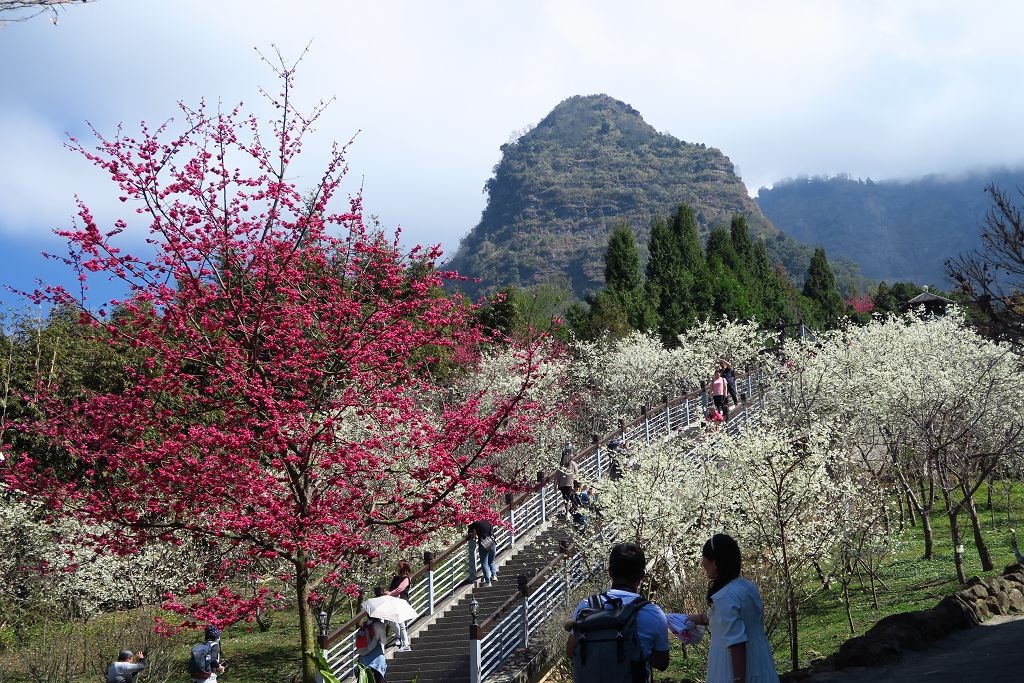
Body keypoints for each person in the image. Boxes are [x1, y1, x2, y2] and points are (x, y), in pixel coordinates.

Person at [566, 543, 670, 682]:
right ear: (642, 575)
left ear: (609, 572)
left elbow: (570, 651)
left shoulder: (587, 606)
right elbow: (662, 664)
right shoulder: (652, 613)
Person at [687, 534, 779, 683]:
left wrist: (738, 679)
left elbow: (737, 642)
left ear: (715, 562)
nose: (702, 562)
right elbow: (720, 617)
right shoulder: (747, 587)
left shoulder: (725, 596)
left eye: (704, 558)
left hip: (731, 667)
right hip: (759, 661)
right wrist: (692, 619)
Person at [384, 559, 413, 652]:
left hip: (401, 602)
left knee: (401, 623)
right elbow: (389, 587)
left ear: (403, 568)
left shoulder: (406, 578)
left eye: (399, 566)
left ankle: (406, 644)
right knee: (390, 620)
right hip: (393, 601)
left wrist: (389, 593)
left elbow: (399, 589)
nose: (397, 567)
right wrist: (387, 592)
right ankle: (398, 637)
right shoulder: (395, 577)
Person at [355, 616, 387, 683]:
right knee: (379, 680)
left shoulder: (364, 625)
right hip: (377, 660)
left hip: (364, 659)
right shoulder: (379, 624)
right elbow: (384, 641)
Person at [468, 519, 498, 584]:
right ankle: (494, 575)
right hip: (491, 542)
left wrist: (474, 535)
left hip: (483, 543)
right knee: (491, 561)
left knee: (484, 563)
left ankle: (488, 581)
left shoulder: (475, 523)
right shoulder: (489, 522)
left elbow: (471, 530)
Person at [555, 446, 580, 518]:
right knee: (566, 498)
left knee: (569, 498)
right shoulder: (561, 467)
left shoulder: (572, 464)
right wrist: (555, 485)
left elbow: (577, 473)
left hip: (570, 483)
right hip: (563, 484)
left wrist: (577, 483)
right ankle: (567, 512)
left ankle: (570, 511)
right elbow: (557, 476)